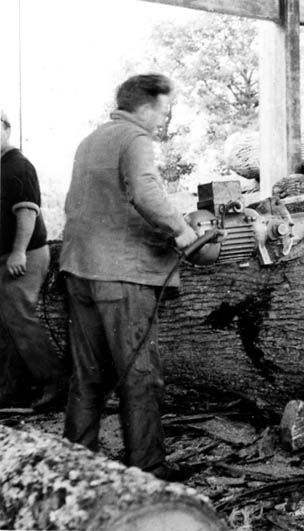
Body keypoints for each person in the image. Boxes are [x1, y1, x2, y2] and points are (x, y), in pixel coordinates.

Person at [60, 74, 198, 480]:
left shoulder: (92, 140)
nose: (165, 118)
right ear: (146, 106)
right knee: (140, 376)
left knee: (88, 375)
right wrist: (182, 230)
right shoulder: (135, 138)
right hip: (120, 276)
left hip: (79, 268)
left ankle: (75, 466)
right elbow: (144, 191)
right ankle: (147, 471)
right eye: (164, 109)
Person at [0, 108, 68, 410]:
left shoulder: (18, 166)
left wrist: (17, 252)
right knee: (7, 323)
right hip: (9, 254)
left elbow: (27, 213)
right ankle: (13, 390)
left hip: (24, 253)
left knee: (20, 317)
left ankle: (57, 383)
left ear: (5, 129)